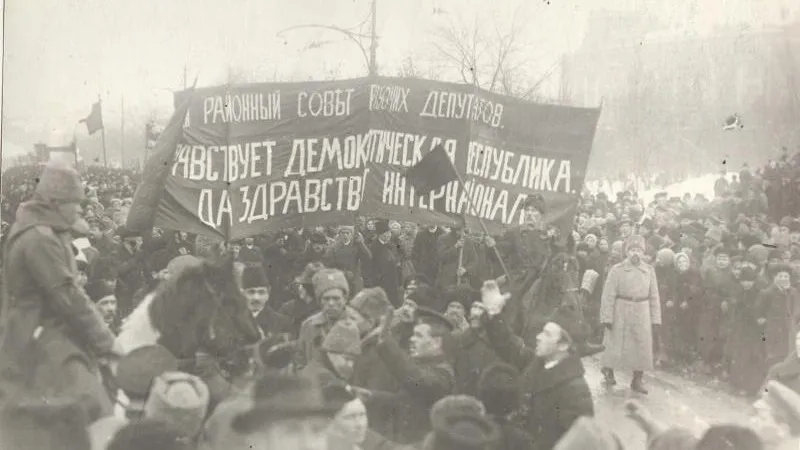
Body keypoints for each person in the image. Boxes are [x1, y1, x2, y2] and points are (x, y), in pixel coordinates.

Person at [0, 161, 118, 421]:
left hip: (48, 329)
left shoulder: (47, 230)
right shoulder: (40, 238)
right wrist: (108, 344)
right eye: (74, 202)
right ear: (55, 203)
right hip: (38, 336)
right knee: (97, 406)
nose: (79, 208)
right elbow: (69, 297)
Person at [480, 280, 594, 450]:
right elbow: (508, 344)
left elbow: (581, 444)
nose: (538, 336)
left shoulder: (576, 391)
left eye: (547, 334)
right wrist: (494, 315)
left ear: (564, 345)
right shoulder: (538, 363)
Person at [599, 233, 662, 394]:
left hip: (642, 310)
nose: (636, 253)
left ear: (643, 253)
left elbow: (654, 296)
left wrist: (656, 319)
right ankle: (608, 372)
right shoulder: (617, 270)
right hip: (620, 309)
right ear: (626, 252)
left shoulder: (649, 271)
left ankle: (638, 379)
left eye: (639, 250)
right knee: (615, 343)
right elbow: (608, 294)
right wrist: (607, 316)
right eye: (632, 249)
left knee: (641, 345)